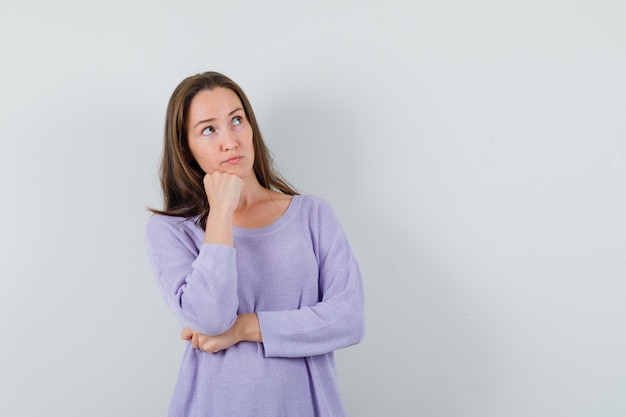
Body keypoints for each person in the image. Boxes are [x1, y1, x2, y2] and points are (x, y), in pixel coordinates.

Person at [145, 71, 365, 417]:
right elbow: (210, 318)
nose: (230, 141)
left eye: (236, 120)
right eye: (208, 129)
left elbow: (348, 319)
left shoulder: (313, 215)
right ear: (186, 150)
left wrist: (244, 328)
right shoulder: (171, 231)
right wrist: (220, 211)